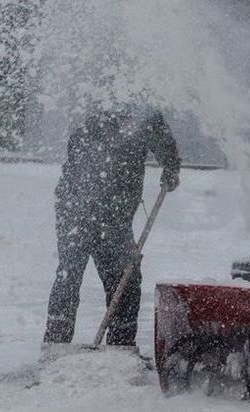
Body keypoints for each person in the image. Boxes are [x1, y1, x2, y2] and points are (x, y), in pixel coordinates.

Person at [43, 104, 181, 346]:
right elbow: (79, 163)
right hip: (79, 210)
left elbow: (165, 144)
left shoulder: (145, 115)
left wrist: (171, 167)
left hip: (110, 215)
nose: (132, 126)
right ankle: (56, 343)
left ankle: (120, 345)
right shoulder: (99, 119)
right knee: (71, 274)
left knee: (124, 279)